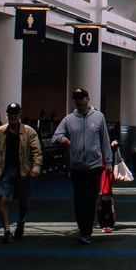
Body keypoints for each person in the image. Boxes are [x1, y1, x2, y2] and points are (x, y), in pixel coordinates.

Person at [52, 88, 113, 245]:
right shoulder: (69, 119)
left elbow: (105, 140)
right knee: (79, 200)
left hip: (94, 167)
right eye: (76, 98)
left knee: (90, 198)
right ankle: (83, 228)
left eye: (81, 98)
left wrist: (108, 162)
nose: (79, 101)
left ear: (88, 98)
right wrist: (62, 139)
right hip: (76, 167)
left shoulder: (99, 117)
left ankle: (87, 231)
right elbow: (55, 136)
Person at [0, 102, 42, 242]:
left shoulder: (29, 132)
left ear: (20, 115)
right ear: (7, 115)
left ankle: (21, 221)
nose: (13, 116)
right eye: (10, 114)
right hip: (5, 170)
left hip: (23, 171)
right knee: (3, 199)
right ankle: (7, 231)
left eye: (15, 114)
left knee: (25, 203)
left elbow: (36, 152)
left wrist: (36, 167)